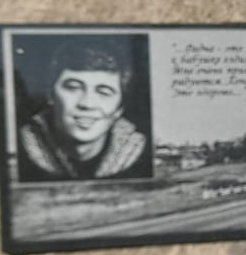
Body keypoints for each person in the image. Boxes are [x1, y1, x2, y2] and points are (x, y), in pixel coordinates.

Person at [18, 39, 149, 181]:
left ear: (119, 108)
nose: (87, 104)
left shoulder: (144, 153)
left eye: (104, 93)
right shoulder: (19, 147)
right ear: (51, 95)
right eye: (73, 88)